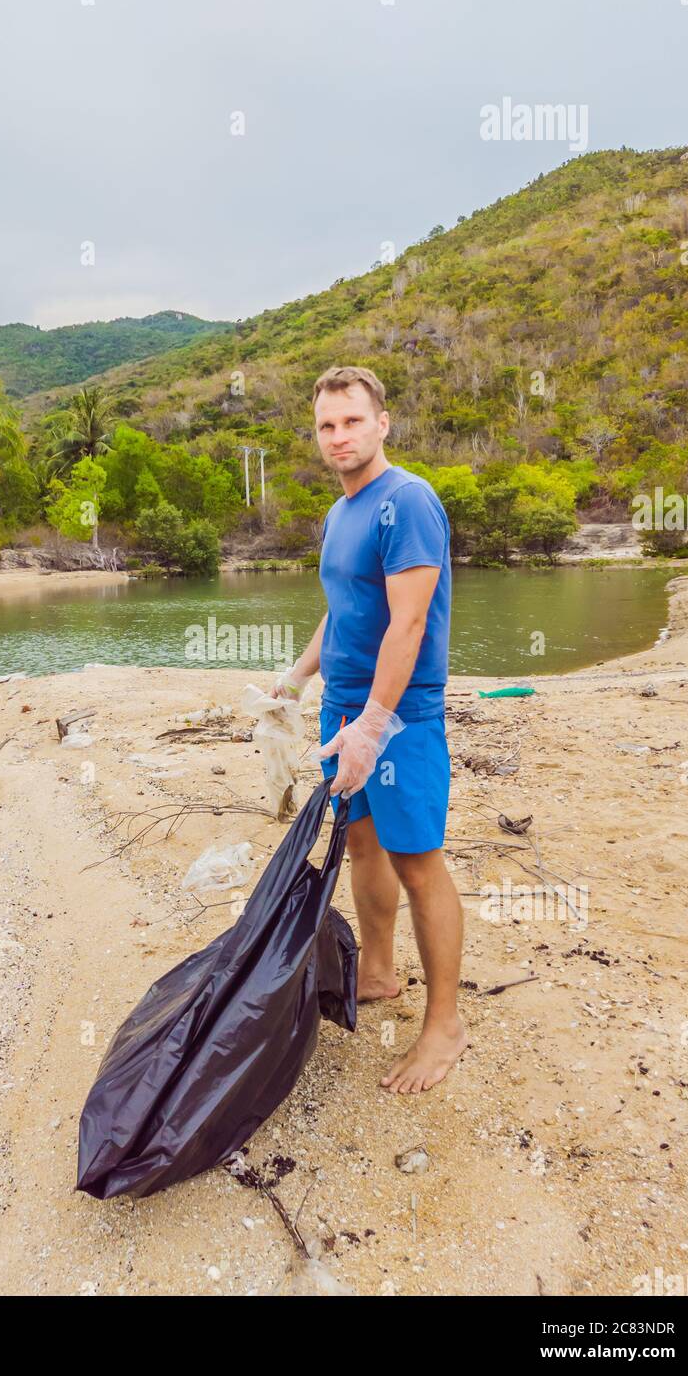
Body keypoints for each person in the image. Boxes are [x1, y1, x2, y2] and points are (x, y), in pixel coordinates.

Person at [272, 365, 467, 1095]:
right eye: (326, 425)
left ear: (381, 423)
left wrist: (374, 726)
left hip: (399, 717)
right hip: (343, 708)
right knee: (359, 844)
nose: (338, 436)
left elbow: (408, 621)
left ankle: (444, 1024)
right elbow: (343, 608)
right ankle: (379, 972)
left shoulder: (406, 501)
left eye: (352, 421)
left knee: (418, 861)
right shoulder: (339, 511)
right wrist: (295, 677)